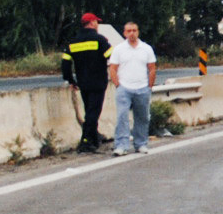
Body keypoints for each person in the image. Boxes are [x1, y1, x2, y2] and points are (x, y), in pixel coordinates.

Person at [60, 12, 112, 153]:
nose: (97, 25)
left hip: (83, 83)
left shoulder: (73, 42)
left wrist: (71, 80)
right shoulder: (100, 40)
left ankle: (94, 139)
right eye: (97, 22)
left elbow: (65, 64)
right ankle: (86, 141)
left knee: (89, 109)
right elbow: (112, 57)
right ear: (92, 23)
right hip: (98, 82)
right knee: (93, 112)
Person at [108, 21, 158, 156]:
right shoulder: (119, 49)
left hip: (142, 87)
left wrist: (149, 86)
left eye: (134, 30)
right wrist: (118, 85)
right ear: (124, 33)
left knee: (142, 117)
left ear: (138, 32)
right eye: (129, 31)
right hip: (124, 88)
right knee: (122, 117)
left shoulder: (146, 48)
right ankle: (121, 145)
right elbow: (113, 68)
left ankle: (141, 143)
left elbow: (152, 68)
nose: (132, 33)